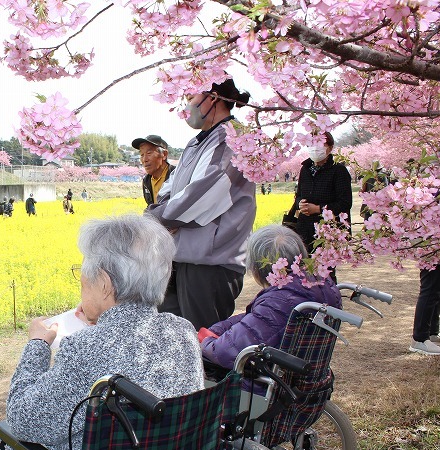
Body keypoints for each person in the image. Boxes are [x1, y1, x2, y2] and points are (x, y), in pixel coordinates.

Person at [5, 215, 204, 450]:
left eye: (84, 273)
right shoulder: (182, 331)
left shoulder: (85, 349)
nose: (82, 281)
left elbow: (22, 418)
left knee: (5, 441)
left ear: (104, 283)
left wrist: (38, 345)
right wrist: (100, 317)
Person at [146, 77, 257, 330]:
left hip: (212, 261)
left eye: (190, 99)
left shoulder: (232, 139)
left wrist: (156, 218)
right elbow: (170, 187)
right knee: (172, 336)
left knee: (202, 342)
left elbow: (201, 194)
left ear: (213, 98)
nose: (186, 106)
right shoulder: (196, 142)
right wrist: (160, 213)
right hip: (182, 256)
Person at [199, 225, 342, 369]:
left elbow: (224, 352)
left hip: (267, 385)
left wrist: (205, 341)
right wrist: (217, 330)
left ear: (256, 269)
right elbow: (255, 320)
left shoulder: (278, 302)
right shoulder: (320, 285)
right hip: (310, 381)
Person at [294, 131, 353, 254]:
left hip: (329, 230)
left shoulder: (338, 170)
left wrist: (318, 209)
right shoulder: (305, 169)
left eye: (320, 144)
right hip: (304, 228)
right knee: (303, 268)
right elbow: (298, 195)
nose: (315, 148)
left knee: (326, 270)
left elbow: (345, 203)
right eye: (311, 144)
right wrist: (300, 204)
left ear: (330, 148)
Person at [132, 134, 173, 205]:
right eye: (142, 155)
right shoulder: (146, 181)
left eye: (149, 153)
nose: (144, 159)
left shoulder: (176, 176)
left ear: (164, 154)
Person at [410, 268, 440, 356]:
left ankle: (432, 334)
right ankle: (420, 339)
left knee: (436, 288)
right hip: (430, 256)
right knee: (430, 286)